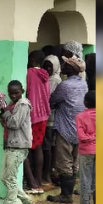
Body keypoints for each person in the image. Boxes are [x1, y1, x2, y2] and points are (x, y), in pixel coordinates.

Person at [0, 80, 43, 204]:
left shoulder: (23, 104)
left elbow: (14, 123)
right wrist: (2, 109)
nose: (14, 95)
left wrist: (4, 110)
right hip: (10, 145)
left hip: (18, 146)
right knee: (6, 178)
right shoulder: (12, 105)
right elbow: (4, 122)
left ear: (22, 90)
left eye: (16, 92)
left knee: (10, 179)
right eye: (11, 93)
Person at [47, 56, 87, 204]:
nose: (62, 66)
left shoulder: (64, 85)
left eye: (65, 64)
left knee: (64, 161)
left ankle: (66, 195)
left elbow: (51, 101)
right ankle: (69, 192)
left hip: (65, 128)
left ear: (70, 69)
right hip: (80, 128)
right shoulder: (83, 84)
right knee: (74, 160)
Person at [24, 50, 51, 195]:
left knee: (26, 147)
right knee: (38, 146)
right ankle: (38, 180)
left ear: (32, 59)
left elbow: (26, 91)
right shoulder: (46, 75)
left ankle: (32, 183)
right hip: (44, 115)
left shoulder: (29, 73)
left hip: (32, 114)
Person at [73, 91, 96, 204]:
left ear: (85, 102)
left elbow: (82, 137)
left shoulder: (80, 117)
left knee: (85, 181)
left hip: (86, 152)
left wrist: (91, 138)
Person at [41, 53, 63, 186]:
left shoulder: (54, 80)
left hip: (50, 118)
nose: (47, 69)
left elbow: (50, 99)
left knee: (47, 147)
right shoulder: (47, 78)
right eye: (45, 66)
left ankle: (47, 175)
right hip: (45, 117)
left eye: (50, 67)